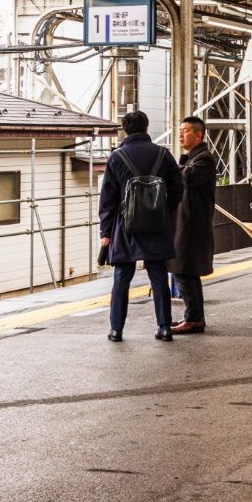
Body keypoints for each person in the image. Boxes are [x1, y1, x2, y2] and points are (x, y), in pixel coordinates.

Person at [101, 110, 184, 342]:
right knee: (158, 277)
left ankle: (116, 330)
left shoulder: (116, 157)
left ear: (125, 130)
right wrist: (163, 212)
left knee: (121, 278)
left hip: (125, 225)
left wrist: (105, 231)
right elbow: (178, 188)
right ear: (147, 128)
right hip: (157, 225)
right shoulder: (163, 154)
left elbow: (107, 198)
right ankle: (165, 328)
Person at [170, 115, 217, 335]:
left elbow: (186, 178)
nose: (180, 134)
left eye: (185, 130)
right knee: (188, 271)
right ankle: (195, 317)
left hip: (192, 225)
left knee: (182, 269)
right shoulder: (191, 158)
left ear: (199, 135)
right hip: (188, 223)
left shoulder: (204, 159)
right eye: (180, 130)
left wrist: (173, 167)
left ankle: (194, 318)